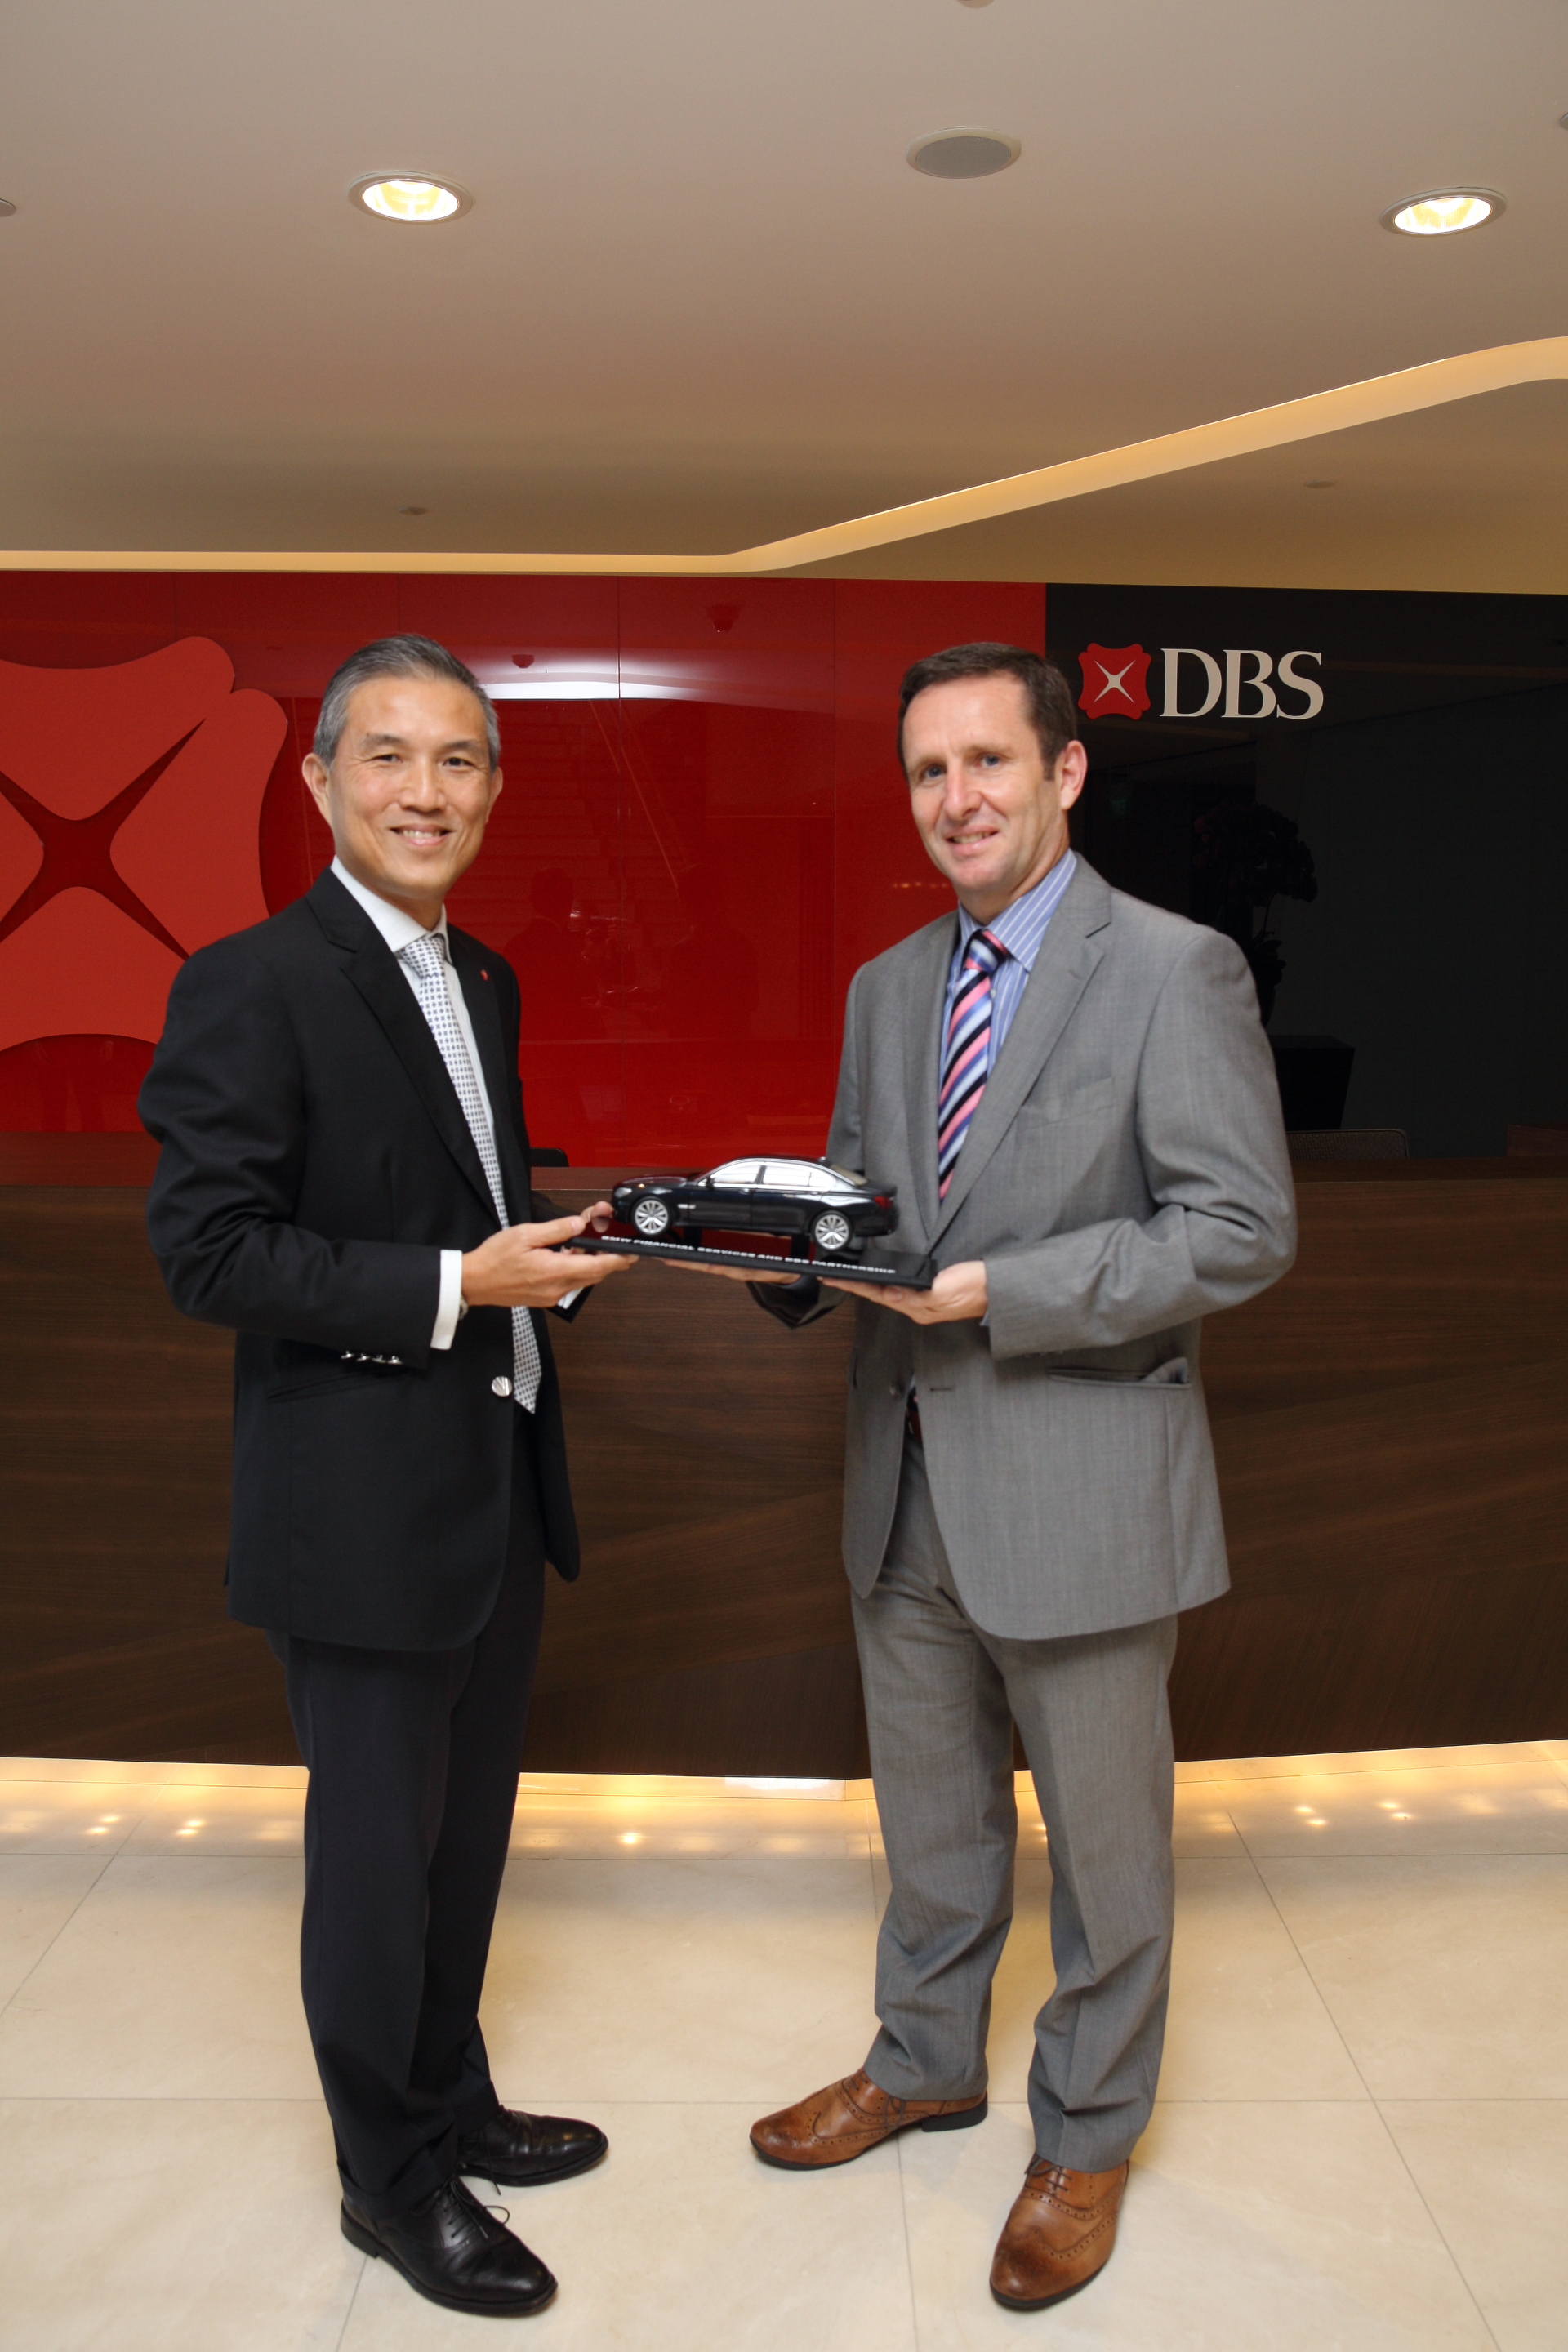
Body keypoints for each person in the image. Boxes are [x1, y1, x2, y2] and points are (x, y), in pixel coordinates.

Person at [687, 643, 1295, 2310]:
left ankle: (1086, 2136)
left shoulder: (1173, 969)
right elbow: (869, 1201)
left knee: (1109, 1855)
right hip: (901, 1482)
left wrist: (1000, 1293)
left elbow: (1242, 1229)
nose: (957, 798)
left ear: (1064, 773)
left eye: (989, 762)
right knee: (932, 1821)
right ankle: (924, 2062)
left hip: (1080, 1487)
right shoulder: (890, 987)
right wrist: (781, 1252)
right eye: (929, 770)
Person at [140, 635, 635, 2318]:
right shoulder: (252, 981)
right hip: (354, 1512)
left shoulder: (479, 975)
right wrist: (454, 1286)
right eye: (391, 756)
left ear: (492, 787)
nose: (428, 791)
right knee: (372, 1865)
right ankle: (389, 2181)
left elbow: (448, 1198)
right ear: (321, 780)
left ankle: (449, 2098)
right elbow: (208, 1252)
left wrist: (544, 1256)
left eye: (460, 760)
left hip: (490, 1484)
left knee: (463, 1843)